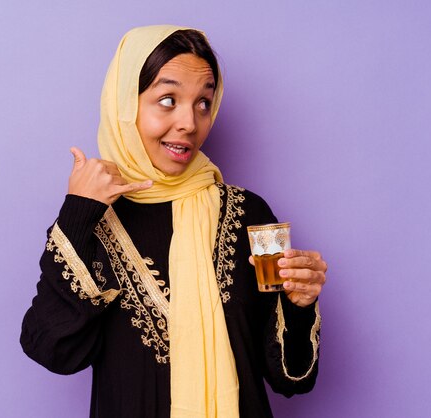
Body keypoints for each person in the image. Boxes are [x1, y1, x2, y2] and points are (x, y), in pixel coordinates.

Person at [20, 25, 327, 418]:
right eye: (168, 99)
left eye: (203, 103)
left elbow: (292, 380)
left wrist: (299, 305)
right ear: (125, 106)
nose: (189, 122)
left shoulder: (251, 214)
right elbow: (54, 351)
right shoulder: (92, 219)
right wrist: (78, 212)